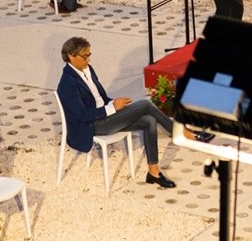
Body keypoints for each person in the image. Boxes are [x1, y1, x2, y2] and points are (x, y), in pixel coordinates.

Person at [56, 37, 175, 187]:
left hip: (106, 115)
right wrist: (112, 108)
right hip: (92, 125)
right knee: (145, 104)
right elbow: (83, 115)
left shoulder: (88, 69)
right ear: (71, 57)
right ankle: (179, 132)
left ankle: (153, 172)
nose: (88, 59)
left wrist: (113, 103)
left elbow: (101, 97)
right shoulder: (67, 83)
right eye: (84, 56)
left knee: (150, 121)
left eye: (89, 55)